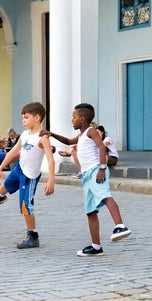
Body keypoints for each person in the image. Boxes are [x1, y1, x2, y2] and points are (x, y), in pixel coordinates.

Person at [43, 103, 132, 256]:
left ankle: (120, 226)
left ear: (82, 119)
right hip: (87, 175)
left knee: (105, 196)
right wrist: (51, 134)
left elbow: (102, 147)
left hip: (96, 170)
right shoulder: (81, 135)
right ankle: (96, 246)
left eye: (74, 117)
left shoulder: (91, 131)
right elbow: (68, 141)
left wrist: (102, 168)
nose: (72, 120)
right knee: (90, 211)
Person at [0, 102, 56, 249]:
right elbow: (13, 152)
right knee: (4, 187)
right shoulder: (25, 134)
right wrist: (0, 167)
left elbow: (50, 159)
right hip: (19, 169)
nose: (23, 120)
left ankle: (33, 236)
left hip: (29, 176)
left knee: (26, 205)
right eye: (23, 118)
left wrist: (51, 180)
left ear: (37, 117)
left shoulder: (42, 137)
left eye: (26, 117)